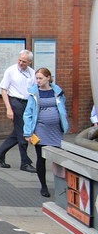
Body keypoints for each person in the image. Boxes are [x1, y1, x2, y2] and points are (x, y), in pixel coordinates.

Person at [22, 68, 69, 198]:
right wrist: (27, 133)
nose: (38, 81)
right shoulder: (34, 93)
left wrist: (64, 124)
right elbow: (28, 114)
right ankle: (43, 186)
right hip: (40, 130)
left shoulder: (57, 92)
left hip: (55, 131)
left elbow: (62, 108)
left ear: (48, 77)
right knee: (41, 158)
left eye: (40, 78)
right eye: (36, 78)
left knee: (58, 159)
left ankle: (61, 186)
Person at [0, 49, 37, 172]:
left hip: (27, 103)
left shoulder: (32, 73)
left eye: (24, 61)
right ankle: (25, 162)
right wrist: (8, 108)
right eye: (20, 60)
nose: (21, 63)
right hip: (15, 102)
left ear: (30, 62)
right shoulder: (11, 71)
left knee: (17, 132)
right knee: (23, 132)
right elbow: (4, 90)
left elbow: (34, 91)